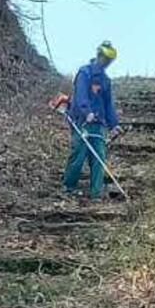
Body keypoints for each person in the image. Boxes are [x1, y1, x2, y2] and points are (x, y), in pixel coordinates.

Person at [63, 41, 119, 201]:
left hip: (99, 124)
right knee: (79, 154)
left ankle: (96, 193)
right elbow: (81, 95)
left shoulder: (106, 81)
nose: (107, 63)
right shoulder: (84, 73)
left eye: (110, 61)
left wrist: (114, 124)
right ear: (99, 56)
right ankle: (69, 186)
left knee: (99, 157)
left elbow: (108, 104)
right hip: (82, 121)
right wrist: (86, 112)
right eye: (105, 59)